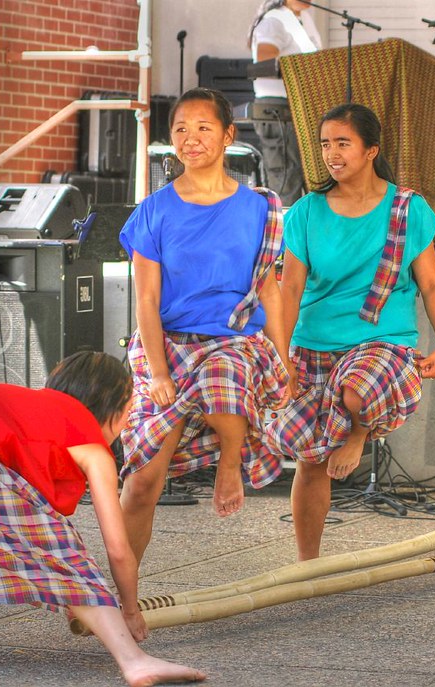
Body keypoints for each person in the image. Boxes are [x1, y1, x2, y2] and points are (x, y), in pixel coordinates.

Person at [0, 351, 205, 687]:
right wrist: (129, 611)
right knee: (63, 549)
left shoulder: (30, 411)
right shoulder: (87, 441)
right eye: (128, 413)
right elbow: (118, 550)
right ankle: (134, 661)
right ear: (113, 408)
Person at [267, 103, 435, 561]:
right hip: (315, 345)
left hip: (381, 343)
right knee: (310, 462)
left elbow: (431, 284)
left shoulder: (407, 209)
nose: (332, 153)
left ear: (371, 150)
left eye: (343, 143)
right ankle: (307, 565)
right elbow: (289, 290)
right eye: (325, 143)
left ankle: (358, 433)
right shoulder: (307, 212)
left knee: (356, 389)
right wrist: (281, 356)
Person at [118, 87, 291, 567]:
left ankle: (229, 464)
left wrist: (284, 357)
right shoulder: (152, 212)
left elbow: (270, 291)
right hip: (166, 348)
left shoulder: (260, 209)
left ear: (228, 135)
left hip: (233, 342)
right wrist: (157, 373)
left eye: (204, 128)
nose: (191, 138)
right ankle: (119, 593)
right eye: (180, 129)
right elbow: (147, 302)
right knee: (142, 481)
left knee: (225, 373)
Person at [247, 0, 323, 206]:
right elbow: (265, 61)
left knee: (308, 181)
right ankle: (282, 235)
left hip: (301, 108)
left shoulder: (304, 19)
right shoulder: (274, 20)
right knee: (285, 183)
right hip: (278, 110)